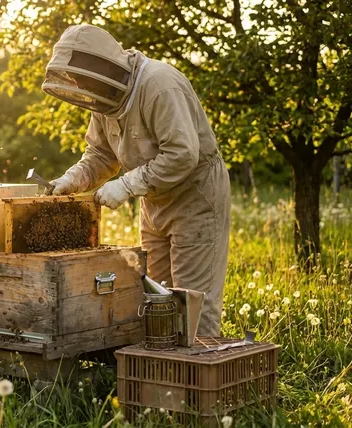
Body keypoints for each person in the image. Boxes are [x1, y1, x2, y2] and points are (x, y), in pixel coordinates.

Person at [42, 24, 230, 337]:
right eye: (77, 82)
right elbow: (101, 156)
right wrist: (71, 179)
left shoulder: (159, 84)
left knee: (192, 301)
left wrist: (127, 186)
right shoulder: (103, 97)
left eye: (83, 79)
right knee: (158, 296)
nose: (81, 86)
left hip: (196, 196)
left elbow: (183, 155)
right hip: (154, 201)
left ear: (102, 67)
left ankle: (200, 377)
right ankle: (163, 378)